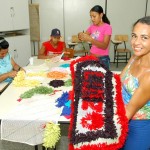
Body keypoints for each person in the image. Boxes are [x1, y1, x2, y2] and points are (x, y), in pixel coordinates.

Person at [120, 16, 150, 150]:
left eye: (144, 37)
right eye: (134, 36)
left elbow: (129, 111)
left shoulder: (149, 76)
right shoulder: (135, 57)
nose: (136, 42)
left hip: (139, 126)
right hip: (122, 114)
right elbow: (119, 80)